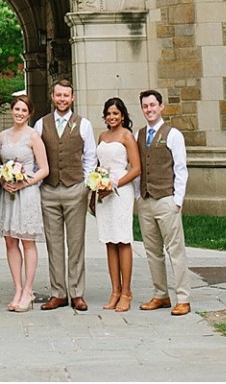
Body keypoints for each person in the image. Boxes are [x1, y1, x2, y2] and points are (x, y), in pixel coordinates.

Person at [35, 77, 97, 312]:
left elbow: (90, 155)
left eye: (66, 95)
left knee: (76, 242)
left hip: (74, 189)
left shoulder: (84, 124)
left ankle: (77, 293)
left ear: (72, 98)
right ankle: (58, 293)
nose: (62, 99)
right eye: (58, 95)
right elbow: (36, 155)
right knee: (54, 244)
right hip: (49, 190)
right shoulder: (41, 124)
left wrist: (85, 184)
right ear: (53, 97)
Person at [136, 89, 191, 316]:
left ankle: (183, 298)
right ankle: (160, 295)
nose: (149, 109)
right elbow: (138, 168)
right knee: (152, 251)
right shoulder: (139, 134)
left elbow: (180, 168)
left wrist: (177, 200)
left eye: (152, 105)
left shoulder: (173, 134)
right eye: (145, 106)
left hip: (167, 199)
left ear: (161, 107)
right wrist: (138, 196)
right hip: (146, 200)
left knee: (175, 250)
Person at [0, 94, 49, 312]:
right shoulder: (2, 136)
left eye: (23, 111)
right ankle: (17, 288)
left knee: (27, 241)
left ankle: (28, 290)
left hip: (26, 193)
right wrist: (2, 178)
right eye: (16, 109)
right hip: (7, 193)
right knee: (10, 241)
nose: (19, 113)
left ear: (29, 114)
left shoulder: (33, 136)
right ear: (12, 111)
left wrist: (23, 182)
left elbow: (44, 169)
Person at [94, 97, 141, 312]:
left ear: (122, 115)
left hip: (121, 190)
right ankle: (114, 290)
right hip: (103, 192)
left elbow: (136, 168)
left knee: (122, 239)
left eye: (116, 113)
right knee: (109, 241)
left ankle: (127, 292)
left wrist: (114, 184)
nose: (112, 117)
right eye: (109, 113)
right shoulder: (102, 136)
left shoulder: (127, 136)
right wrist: (94, 192)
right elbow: (98, 167)